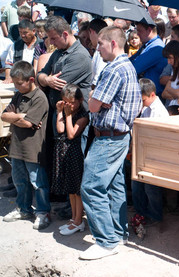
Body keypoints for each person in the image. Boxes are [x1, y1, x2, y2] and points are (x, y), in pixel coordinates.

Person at [80, 26, 142, 260]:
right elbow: (99, 102)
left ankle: (106, 242)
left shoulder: (114, 69)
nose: (97, 49)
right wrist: (99, 100)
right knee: (115, 186)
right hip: (119, 135)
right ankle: (118, 233)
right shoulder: (127, 67)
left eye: (100, 45)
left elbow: (93, 105)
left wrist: (98, 100)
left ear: (113, 44)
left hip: (109, 137)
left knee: (91, 186)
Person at [1, 61, 50, 229]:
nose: (16, 87)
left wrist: (16, 117)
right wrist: (18, 116)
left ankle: (43, 212)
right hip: (17, 147)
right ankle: (24, 209)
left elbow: (29, 123)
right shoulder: (18, 94)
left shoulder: (39, 98)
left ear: (30, 79)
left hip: (33, 149)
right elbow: (4, 116)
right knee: (20, 180)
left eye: (19, 83)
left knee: (38, 183)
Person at [130, 78, 168, 238]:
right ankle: (141, 211)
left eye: (143, 99)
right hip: (142, 151)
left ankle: (155, 215)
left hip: (153, 154)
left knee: (151, 188)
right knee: (137, 184)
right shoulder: (146, 107)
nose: (141, 102)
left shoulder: (159, 112)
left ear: (152, 95)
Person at [52, 84, 89, 236]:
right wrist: (60, 111)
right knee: (71, 190)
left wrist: (67, 116)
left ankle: (79, 221)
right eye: (66, 102)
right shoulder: (66, 111)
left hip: (76, 154)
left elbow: (71, 134)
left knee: (77, 190)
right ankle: (74, 218)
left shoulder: (83, 116)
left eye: (72, 102)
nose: (69, 105)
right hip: (66, 153)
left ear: (80, 100)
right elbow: (60, 130)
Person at [130, 21, 168, 97]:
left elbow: (134, 67)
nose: (137, 34)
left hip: (153, 96)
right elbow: (131, 60)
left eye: (140, 31)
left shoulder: (157, 48)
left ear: (149, 30)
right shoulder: (148, 45)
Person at [3, 19, 40, 84]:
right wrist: (8, 78)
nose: (22, 35)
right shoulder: (15, 45)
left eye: (25, 33)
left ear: (33, 31)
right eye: (20, 32)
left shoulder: (41, 45)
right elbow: (9, 64)